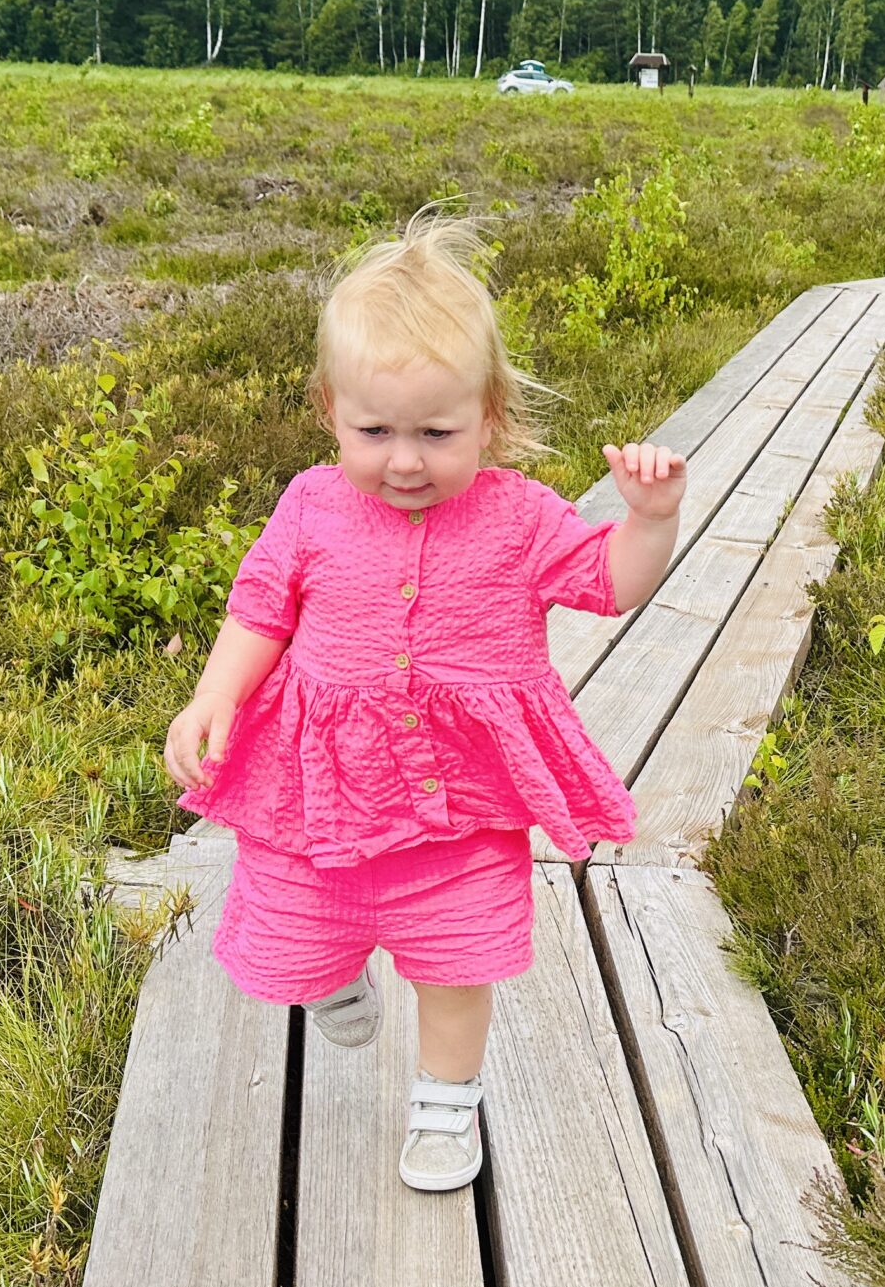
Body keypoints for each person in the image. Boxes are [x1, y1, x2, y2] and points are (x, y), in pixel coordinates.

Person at [161, 210, 686, 1192]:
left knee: (456, 957)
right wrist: (211, 698)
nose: (404, 460)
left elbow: (609, 585)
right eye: (375, 432)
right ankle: (334, 975)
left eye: (437, 434)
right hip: (319, 797)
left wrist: (648, 521)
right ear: (330, 410)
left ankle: (447, 1106)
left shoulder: (522, 516)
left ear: (490, 417)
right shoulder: (312, 504)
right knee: (294, 945)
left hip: (461, 807)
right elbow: (259, 610)